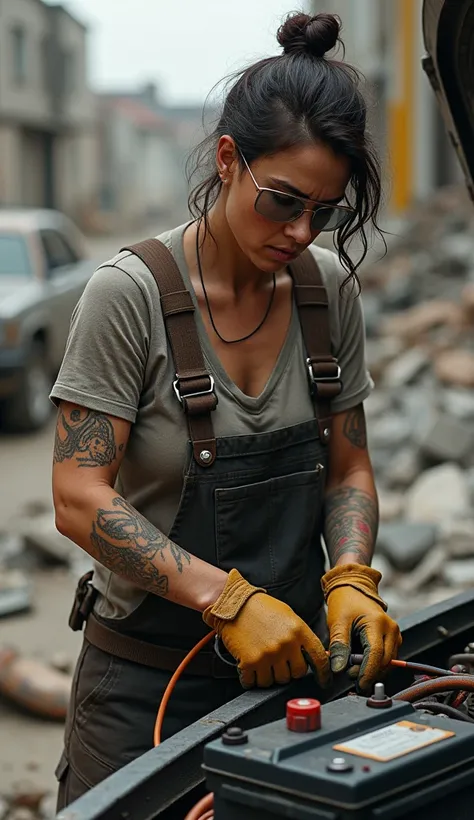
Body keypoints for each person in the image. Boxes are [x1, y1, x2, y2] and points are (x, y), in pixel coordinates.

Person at [51, 11, 401, 816]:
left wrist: (349, 576)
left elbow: (348, 463)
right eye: (282, 201)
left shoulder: (327, 293)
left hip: (293, 678)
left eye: (327, 211)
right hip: (145, 687)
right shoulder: (128, 296)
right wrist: (228, 601)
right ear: (226, 159)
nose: (302, 231)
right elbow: (78, 495)